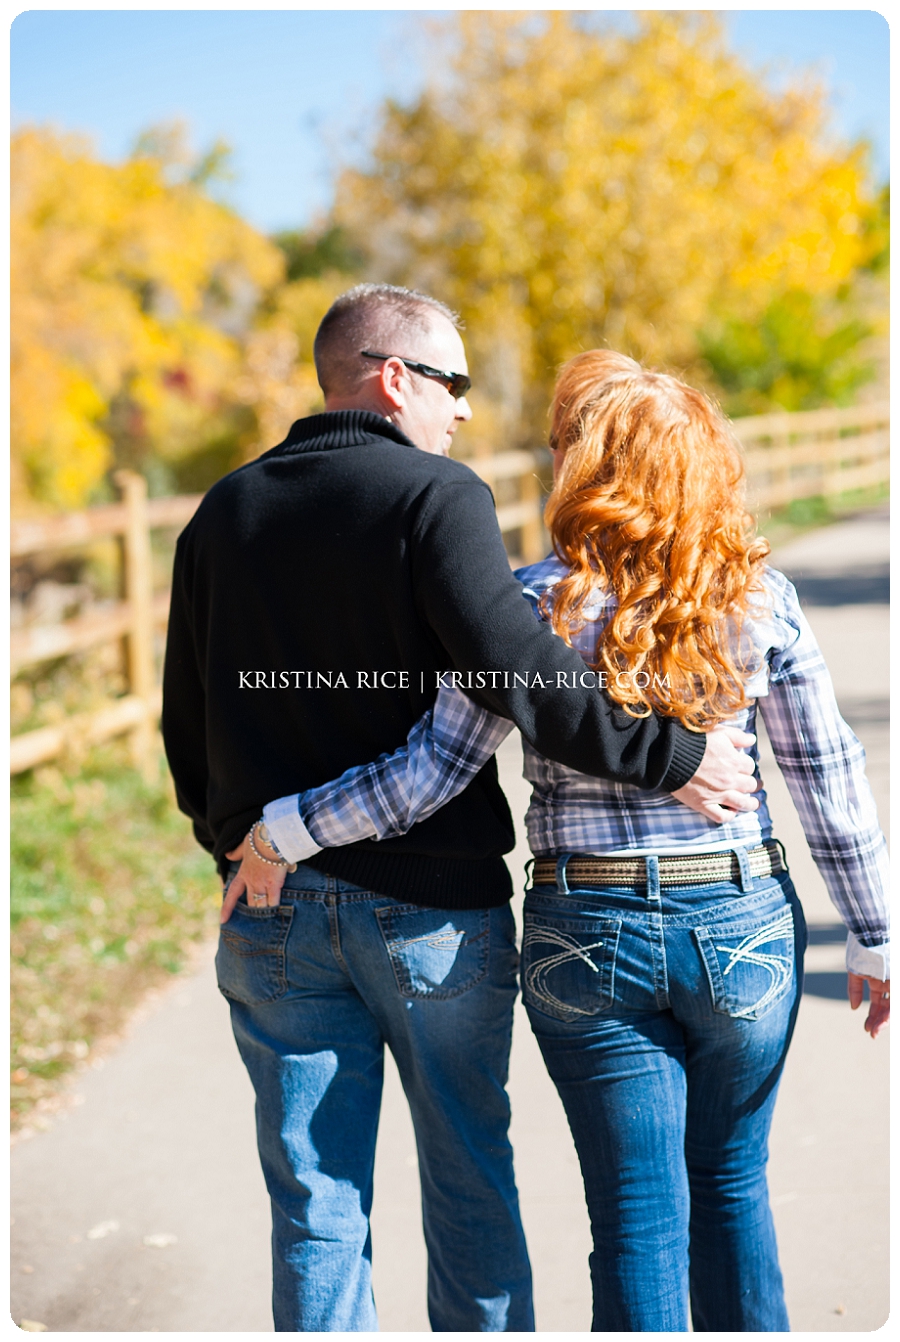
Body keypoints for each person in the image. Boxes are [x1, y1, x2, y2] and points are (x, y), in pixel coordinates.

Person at [234, 349, 889, 1332]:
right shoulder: (760, 601)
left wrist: (282, 828)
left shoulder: (529, 606)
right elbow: (830, 783)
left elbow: (426, 775)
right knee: (734, 1186)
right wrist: (875, 935)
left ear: (583, 470)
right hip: (742, 918)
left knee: (635, 1213)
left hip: (589, 929)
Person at [162, 286, 760, 1333]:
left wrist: (240, 847)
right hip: (430, 917)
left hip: (271, 911)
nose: (466, 413)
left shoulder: (223, 509)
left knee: (316, 1209)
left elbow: (183, 722)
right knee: (470, 1180)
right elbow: (521, 675)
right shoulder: (436, 497)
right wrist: (670, 755)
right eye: (454, 384)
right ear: (392, 377)